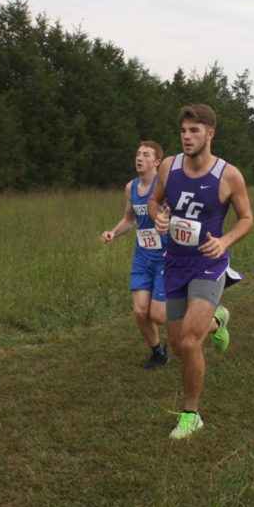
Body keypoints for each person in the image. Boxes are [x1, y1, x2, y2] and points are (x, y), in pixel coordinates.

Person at [149, 104, 254, 439]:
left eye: (194, 130)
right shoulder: (168, 166)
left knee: (191, 342)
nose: (186, 137)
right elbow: (155, 201)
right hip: (175, 262)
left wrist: (224, 241)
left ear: (210, 134)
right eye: (183, 131)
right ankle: (218, 320)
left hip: (209, 265)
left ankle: (191, 413)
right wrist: (159, 217)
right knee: (179, 344)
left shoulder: (228, 175)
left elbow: (247, 218)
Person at [101, 141, 170, 370]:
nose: (139, 158)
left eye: (146, 155)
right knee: (140, 311)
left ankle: (202, 312)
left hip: (165, 256)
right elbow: (130, 219)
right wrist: (113, 232)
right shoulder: (130, 187)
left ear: (157, 162)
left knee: (158, 315)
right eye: (138, 154)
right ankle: (159, 353)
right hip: (142, 256)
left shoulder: (165, 186)